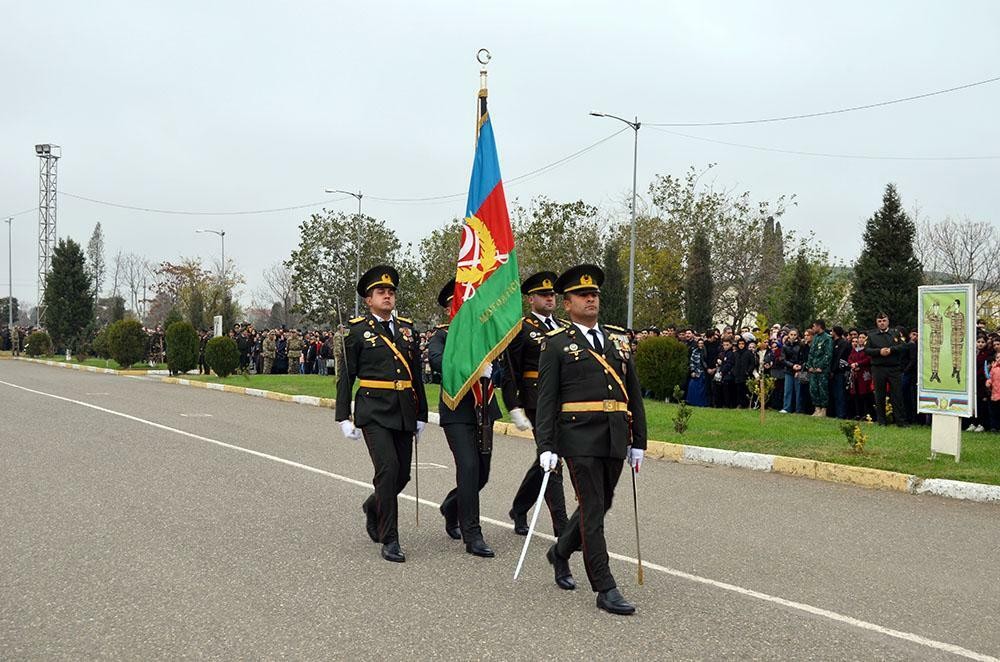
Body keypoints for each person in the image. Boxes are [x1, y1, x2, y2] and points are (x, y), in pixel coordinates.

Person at [535, 264, 647, 616]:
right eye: (583, 295)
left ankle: (560, 551)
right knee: (594, 507)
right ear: (567, 304)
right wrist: (546, 446)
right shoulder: (556, 345)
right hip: (578, 436)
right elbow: (547, 401)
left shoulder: (618, 340)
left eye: (595, 294)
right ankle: (605, 586)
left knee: (601, 503)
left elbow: (634, 394)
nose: (591, 299)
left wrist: (639, 440)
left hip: (615, 434)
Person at [335, 265, 429, 563]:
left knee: (401, 475)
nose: (387, 296)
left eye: (390, 292)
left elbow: (416, 375)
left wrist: (422, 413)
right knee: (387, 469)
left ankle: (373, 504)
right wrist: (343, 417)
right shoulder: (356, 331)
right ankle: (390, 539)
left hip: (403, 409)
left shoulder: (406, 329)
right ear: (368, 299)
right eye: (380, 292)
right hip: (373, 410)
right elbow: (346, 377)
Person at [430, 279, 512, 558]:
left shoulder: (483, 334)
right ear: (448, 308)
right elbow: (439, 362)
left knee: (482, 474)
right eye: (457, 301)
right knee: (467, 466)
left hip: (485, 408)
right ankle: (472, 534)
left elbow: (501, 369)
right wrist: (476, 368)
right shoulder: (442, 335)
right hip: (457, 411)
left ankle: (451, 507)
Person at [504, 271, 570, 538]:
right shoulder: (522, 328)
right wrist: (514, 406)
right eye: (544, 295)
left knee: (547, 457)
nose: (550, 298)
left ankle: (519, 508)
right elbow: (511, 371)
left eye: (552, 294)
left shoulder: (563, 328)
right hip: (536, 400)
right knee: (553, 460)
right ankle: (562, 528)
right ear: (531, 299)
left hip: (563, 401)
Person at [865, 312, 906, 426]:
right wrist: (879, 352)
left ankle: (900, 421)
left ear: (888, 321)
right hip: (878, 368)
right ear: (877, 323)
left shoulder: (895, 333)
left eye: (884, 321)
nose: (882, 323)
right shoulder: (872, 335)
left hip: (894, 368)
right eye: (879, 321)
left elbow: (903, 346)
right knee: (879, 395)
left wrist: (891, 350)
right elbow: (866, 350)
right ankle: (881, 421)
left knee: (897, 395)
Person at [804, 319, 832, 417]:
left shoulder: (827, 338)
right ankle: (817, 409)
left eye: (814, 326)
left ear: (819, 326)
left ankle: (823, 410)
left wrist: (821, 366)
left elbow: (828, 354)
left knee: (822, 389)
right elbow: (811, 353)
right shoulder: (815, 338)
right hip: (813, 368)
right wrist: (810, 366)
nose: (813, 328)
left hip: (822, 369)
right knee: (813, 389)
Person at [847, 333, 874, 420]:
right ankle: (858, 413)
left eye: (863, 337)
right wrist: (852, 364)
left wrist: (858, 364)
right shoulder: (855, 349)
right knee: (856, 394)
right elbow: (850, 358)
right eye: (860, 337)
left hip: (864, 374)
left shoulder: (867, 349)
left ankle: (867, 414)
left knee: (865, 394)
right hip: (855, 375)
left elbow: (868, 359)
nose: (861, 339)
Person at [780, 329, 804, 413]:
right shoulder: (785, 346)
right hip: (788, 370)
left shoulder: (801, 345)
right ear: (788, 335)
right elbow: (783, 359)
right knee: (788, 390)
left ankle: (798, 409)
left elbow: (803, 358)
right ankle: (787, 408)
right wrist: (792, 365)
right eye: (791, 334)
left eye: (794, 335)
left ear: (797, 336)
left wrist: (799, 367)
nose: (793, 336)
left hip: (799, 370)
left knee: (799, 391)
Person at [944, 299, 966, 383]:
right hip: (953, 334)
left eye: (956, 304)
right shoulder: (952, 314)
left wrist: (962, 336)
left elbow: (963, 326)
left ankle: (958, 371)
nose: (955, 305)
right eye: (955, 304)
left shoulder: (961, 315)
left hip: (959, 334)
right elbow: (945, 313)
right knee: (953, 353)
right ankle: (954, 368)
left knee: (959, 354)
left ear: (959, 305)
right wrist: (950, 305)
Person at [925, 301, 944, 383]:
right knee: (933, 356)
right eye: (935, 306)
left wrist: (942, 338)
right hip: (933, 336)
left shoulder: (940, 317)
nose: (936, 308)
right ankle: (933, 373)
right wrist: (930, 308)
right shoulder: (931, 316)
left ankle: (936, 373)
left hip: (938, 336)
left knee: (937, 356)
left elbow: (942, 328)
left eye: (937, 307)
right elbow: (925, 320)